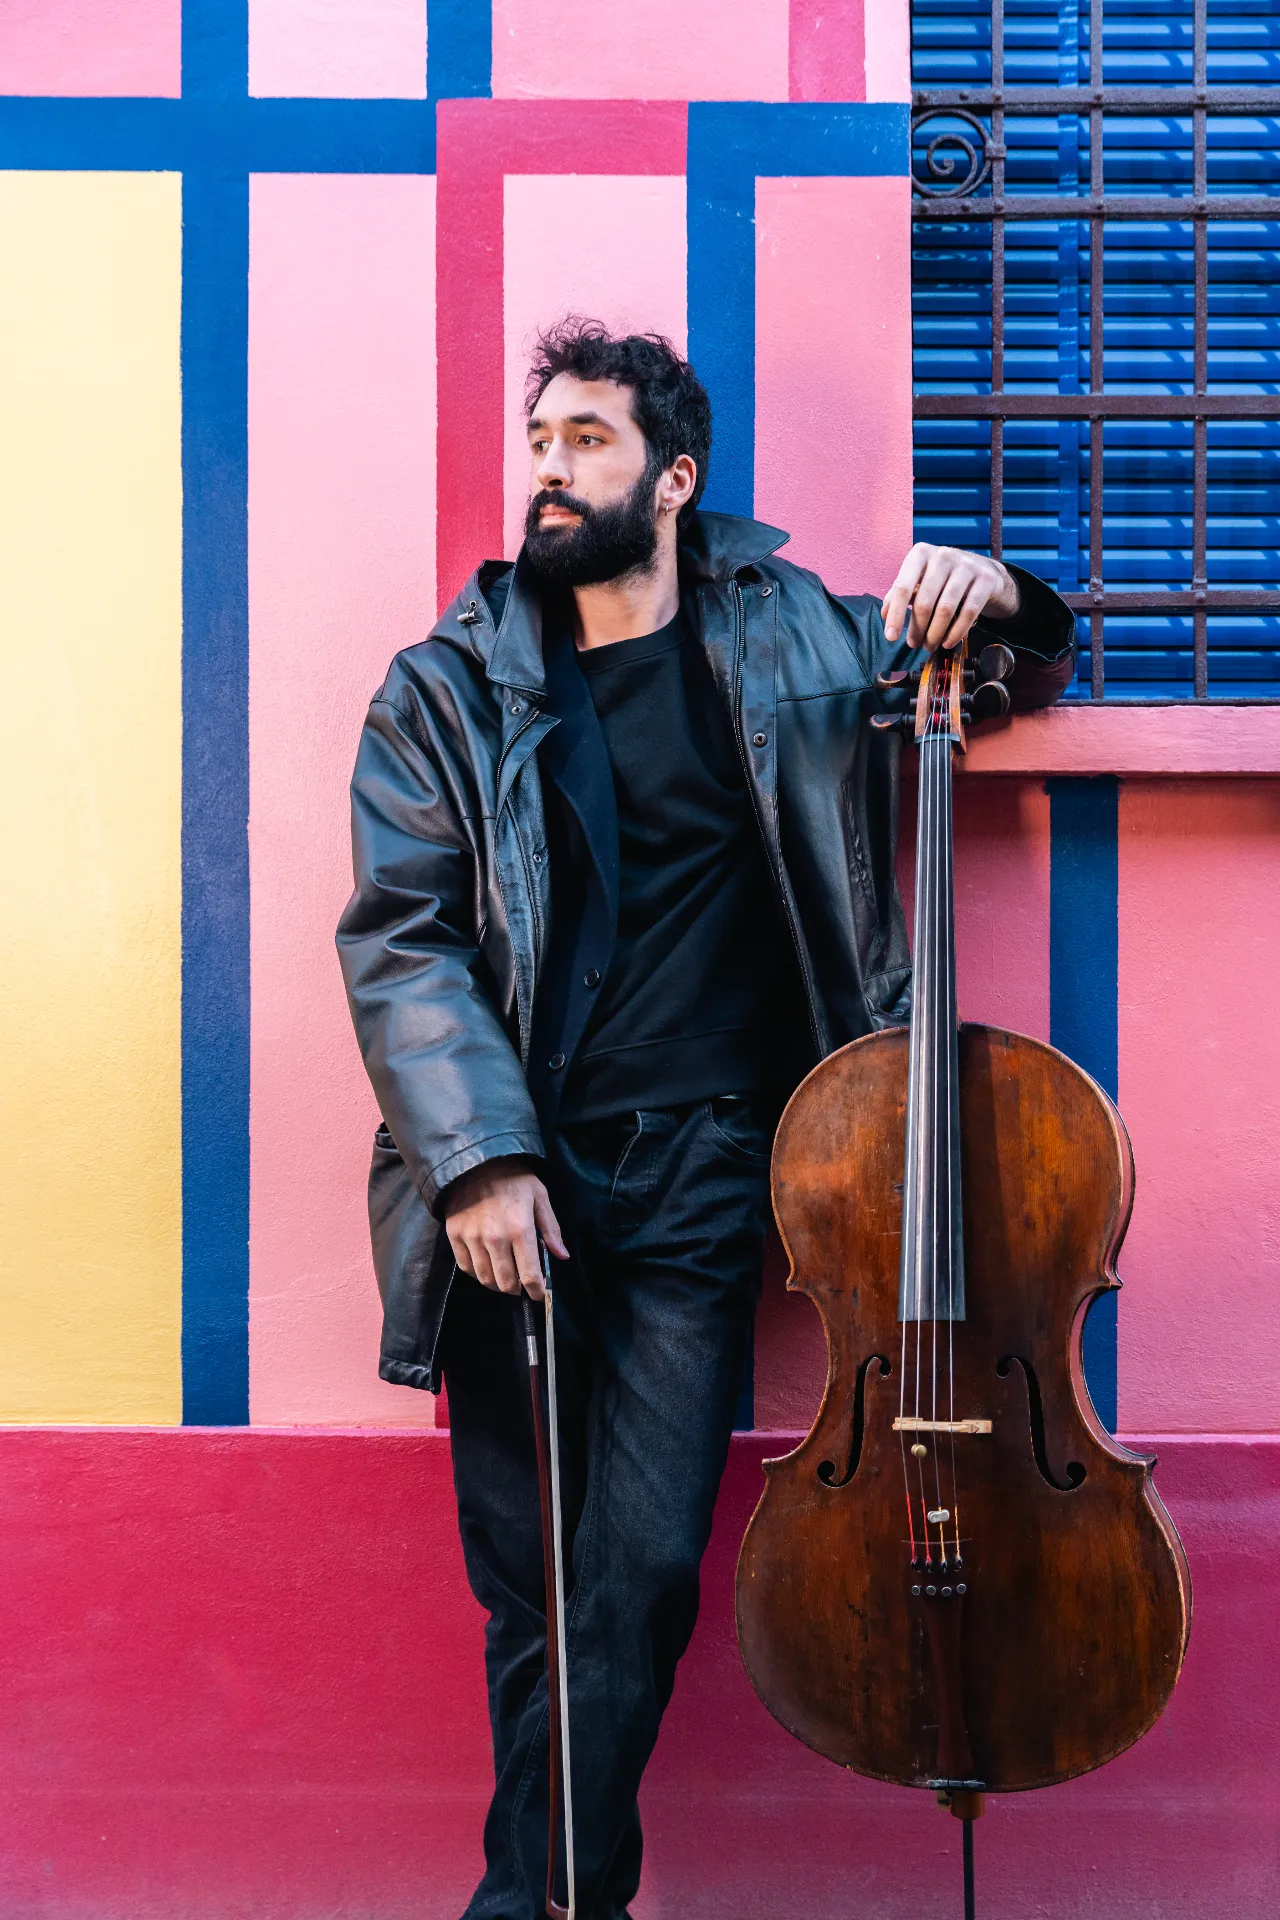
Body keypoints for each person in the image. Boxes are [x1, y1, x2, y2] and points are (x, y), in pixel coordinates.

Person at [336, 319, 1075, 1920]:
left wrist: (999, 590)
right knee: (533, 1591)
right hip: (508, 1193)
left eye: (587, 440)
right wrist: (484, 1158)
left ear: (671, 478)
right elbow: (402, 940)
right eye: (538, 439)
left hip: (705, 1173)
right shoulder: (446, 687)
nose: (549, 467)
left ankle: (525, 1903)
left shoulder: (795, 636)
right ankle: (561, 1901)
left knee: (646, 1571)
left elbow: (992, 677)